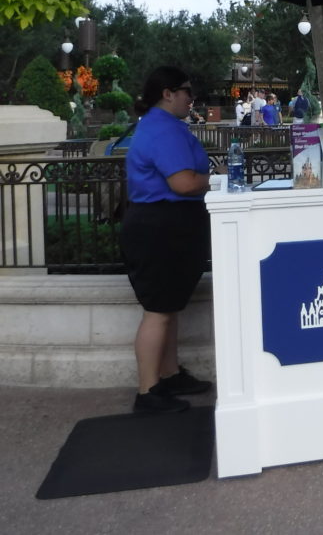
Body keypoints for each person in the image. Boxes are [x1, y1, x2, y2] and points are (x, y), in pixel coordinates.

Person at [121, 66, 215, 413]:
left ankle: (170, 373)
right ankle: (147, 392)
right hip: (160, 227)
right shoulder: (163, 130)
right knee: (158, 312)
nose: (192, 97)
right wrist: (218, 179)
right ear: (168, 94)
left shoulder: (160, 126)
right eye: (187, 91)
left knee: (168, 307)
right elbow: (184, 183)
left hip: (165, 225)